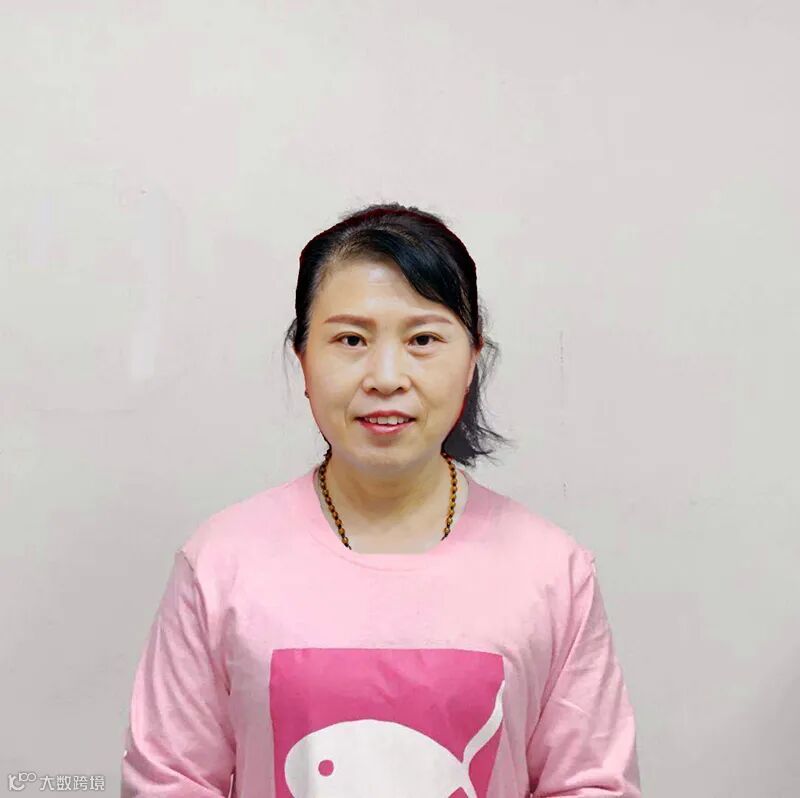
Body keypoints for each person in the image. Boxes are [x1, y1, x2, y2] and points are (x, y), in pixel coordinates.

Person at [120, 203, 642, 797]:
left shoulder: (551, 571)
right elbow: (169, 781)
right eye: (351, 339)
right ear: (302, 358)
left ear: (472, 358)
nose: (386, 376)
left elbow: (590, 784)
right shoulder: (221, 563)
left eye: (423, 339)